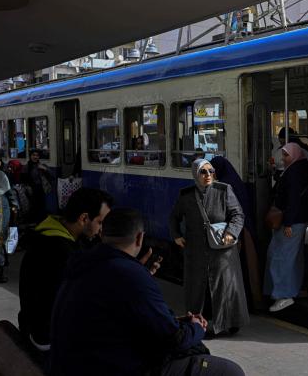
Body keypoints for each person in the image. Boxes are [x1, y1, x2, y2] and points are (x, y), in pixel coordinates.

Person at [49, 208, 244, 376]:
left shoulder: (81, 263)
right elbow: (173, 340)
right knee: (229, 371)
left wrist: (179, 322)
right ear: (140, 238)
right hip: (112, 368)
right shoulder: (130, 275)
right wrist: (197, 328)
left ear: (102, 235)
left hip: (74, 365)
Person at [18, 187, 113, 353]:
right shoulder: (63, 253)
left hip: (32, 326)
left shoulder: (49, 233)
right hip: (47, 339)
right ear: (84, 218)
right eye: (100, 222)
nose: (101, 230)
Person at [170, 159, 249, 335]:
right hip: (196, 250)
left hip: (222, 249)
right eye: (203, 172)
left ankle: (229, 323)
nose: (208, 175)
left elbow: (237, 214)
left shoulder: (224, 190)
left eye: (211, 171)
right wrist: (176, 235)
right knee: (199, 288)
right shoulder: (186, 196)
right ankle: (199, 323)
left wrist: (232, 232)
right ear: (195, 174)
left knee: (224, 286)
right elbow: (174, 217)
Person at [211, 156, 264, 310]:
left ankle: (240, 304)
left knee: (236, 270)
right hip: (244, 230)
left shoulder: (226, 184)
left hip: (236, 234)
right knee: (246, 269)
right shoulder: (235, 181)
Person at [264, 142, 308, 312]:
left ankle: (283, 295)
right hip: (298, 220)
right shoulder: (299, 168)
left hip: (291, 221)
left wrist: (288, 223)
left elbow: (293, 200)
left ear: (295, 154)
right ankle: (292, 290)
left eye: (286, 155)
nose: (283, 158)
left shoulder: (294, 173)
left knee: (279, 256)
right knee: (293, 257)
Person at [21, 149, 54, 224]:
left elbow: (52, 176)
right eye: (33, 155)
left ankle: (41, 222)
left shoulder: (42, 166)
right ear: (30, 156)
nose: (35, 157)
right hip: (30, 191)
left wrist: (45, 169)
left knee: (41, 206)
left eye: (37, 155)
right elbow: (23, 180)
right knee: (32, 207)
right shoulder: (26, 167)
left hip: (40, 190)